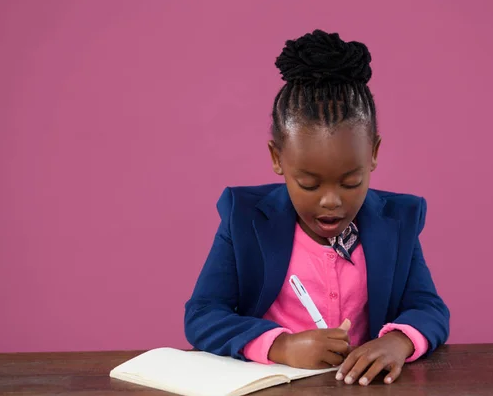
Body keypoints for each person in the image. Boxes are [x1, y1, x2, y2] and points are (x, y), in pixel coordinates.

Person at [184, 29, 449, 386]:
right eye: (308, 183)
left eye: (350, 182)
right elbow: (202, 314)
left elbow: (430, 308)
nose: (330, 200)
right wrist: (282, 346)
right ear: (278, 158)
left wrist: (397, 341)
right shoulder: (244, 218)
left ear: (373, 154)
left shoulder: (397, 221)